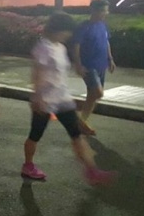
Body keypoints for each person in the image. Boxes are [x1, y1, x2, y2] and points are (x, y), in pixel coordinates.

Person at [22, 12, 117, 185]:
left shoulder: (60, 47)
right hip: (45, 100)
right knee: (35, 135)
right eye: (66, 31)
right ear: (57, 29)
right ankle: (28, 165)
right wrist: (37, 98)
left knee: (76, 135)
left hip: (63, 99)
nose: (68, 35)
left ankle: (92, 171)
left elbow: (61, 74)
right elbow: (37, 74)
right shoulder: (42, 48)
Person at [71, 0, 116, 136]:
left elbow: (106, 42)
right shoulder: (84, 27)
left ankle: (81, 122)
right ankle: (76, 117)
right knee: (98, 93)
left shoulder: (103, 26)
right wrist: (78, 65)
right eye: (103, 10)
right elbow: (76, 46)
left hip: (101, 64)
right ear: (94, 11)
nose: (106, 13)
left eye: (106, 10)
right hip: (88, 66)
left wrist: (110, 59)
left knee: (92, 95)